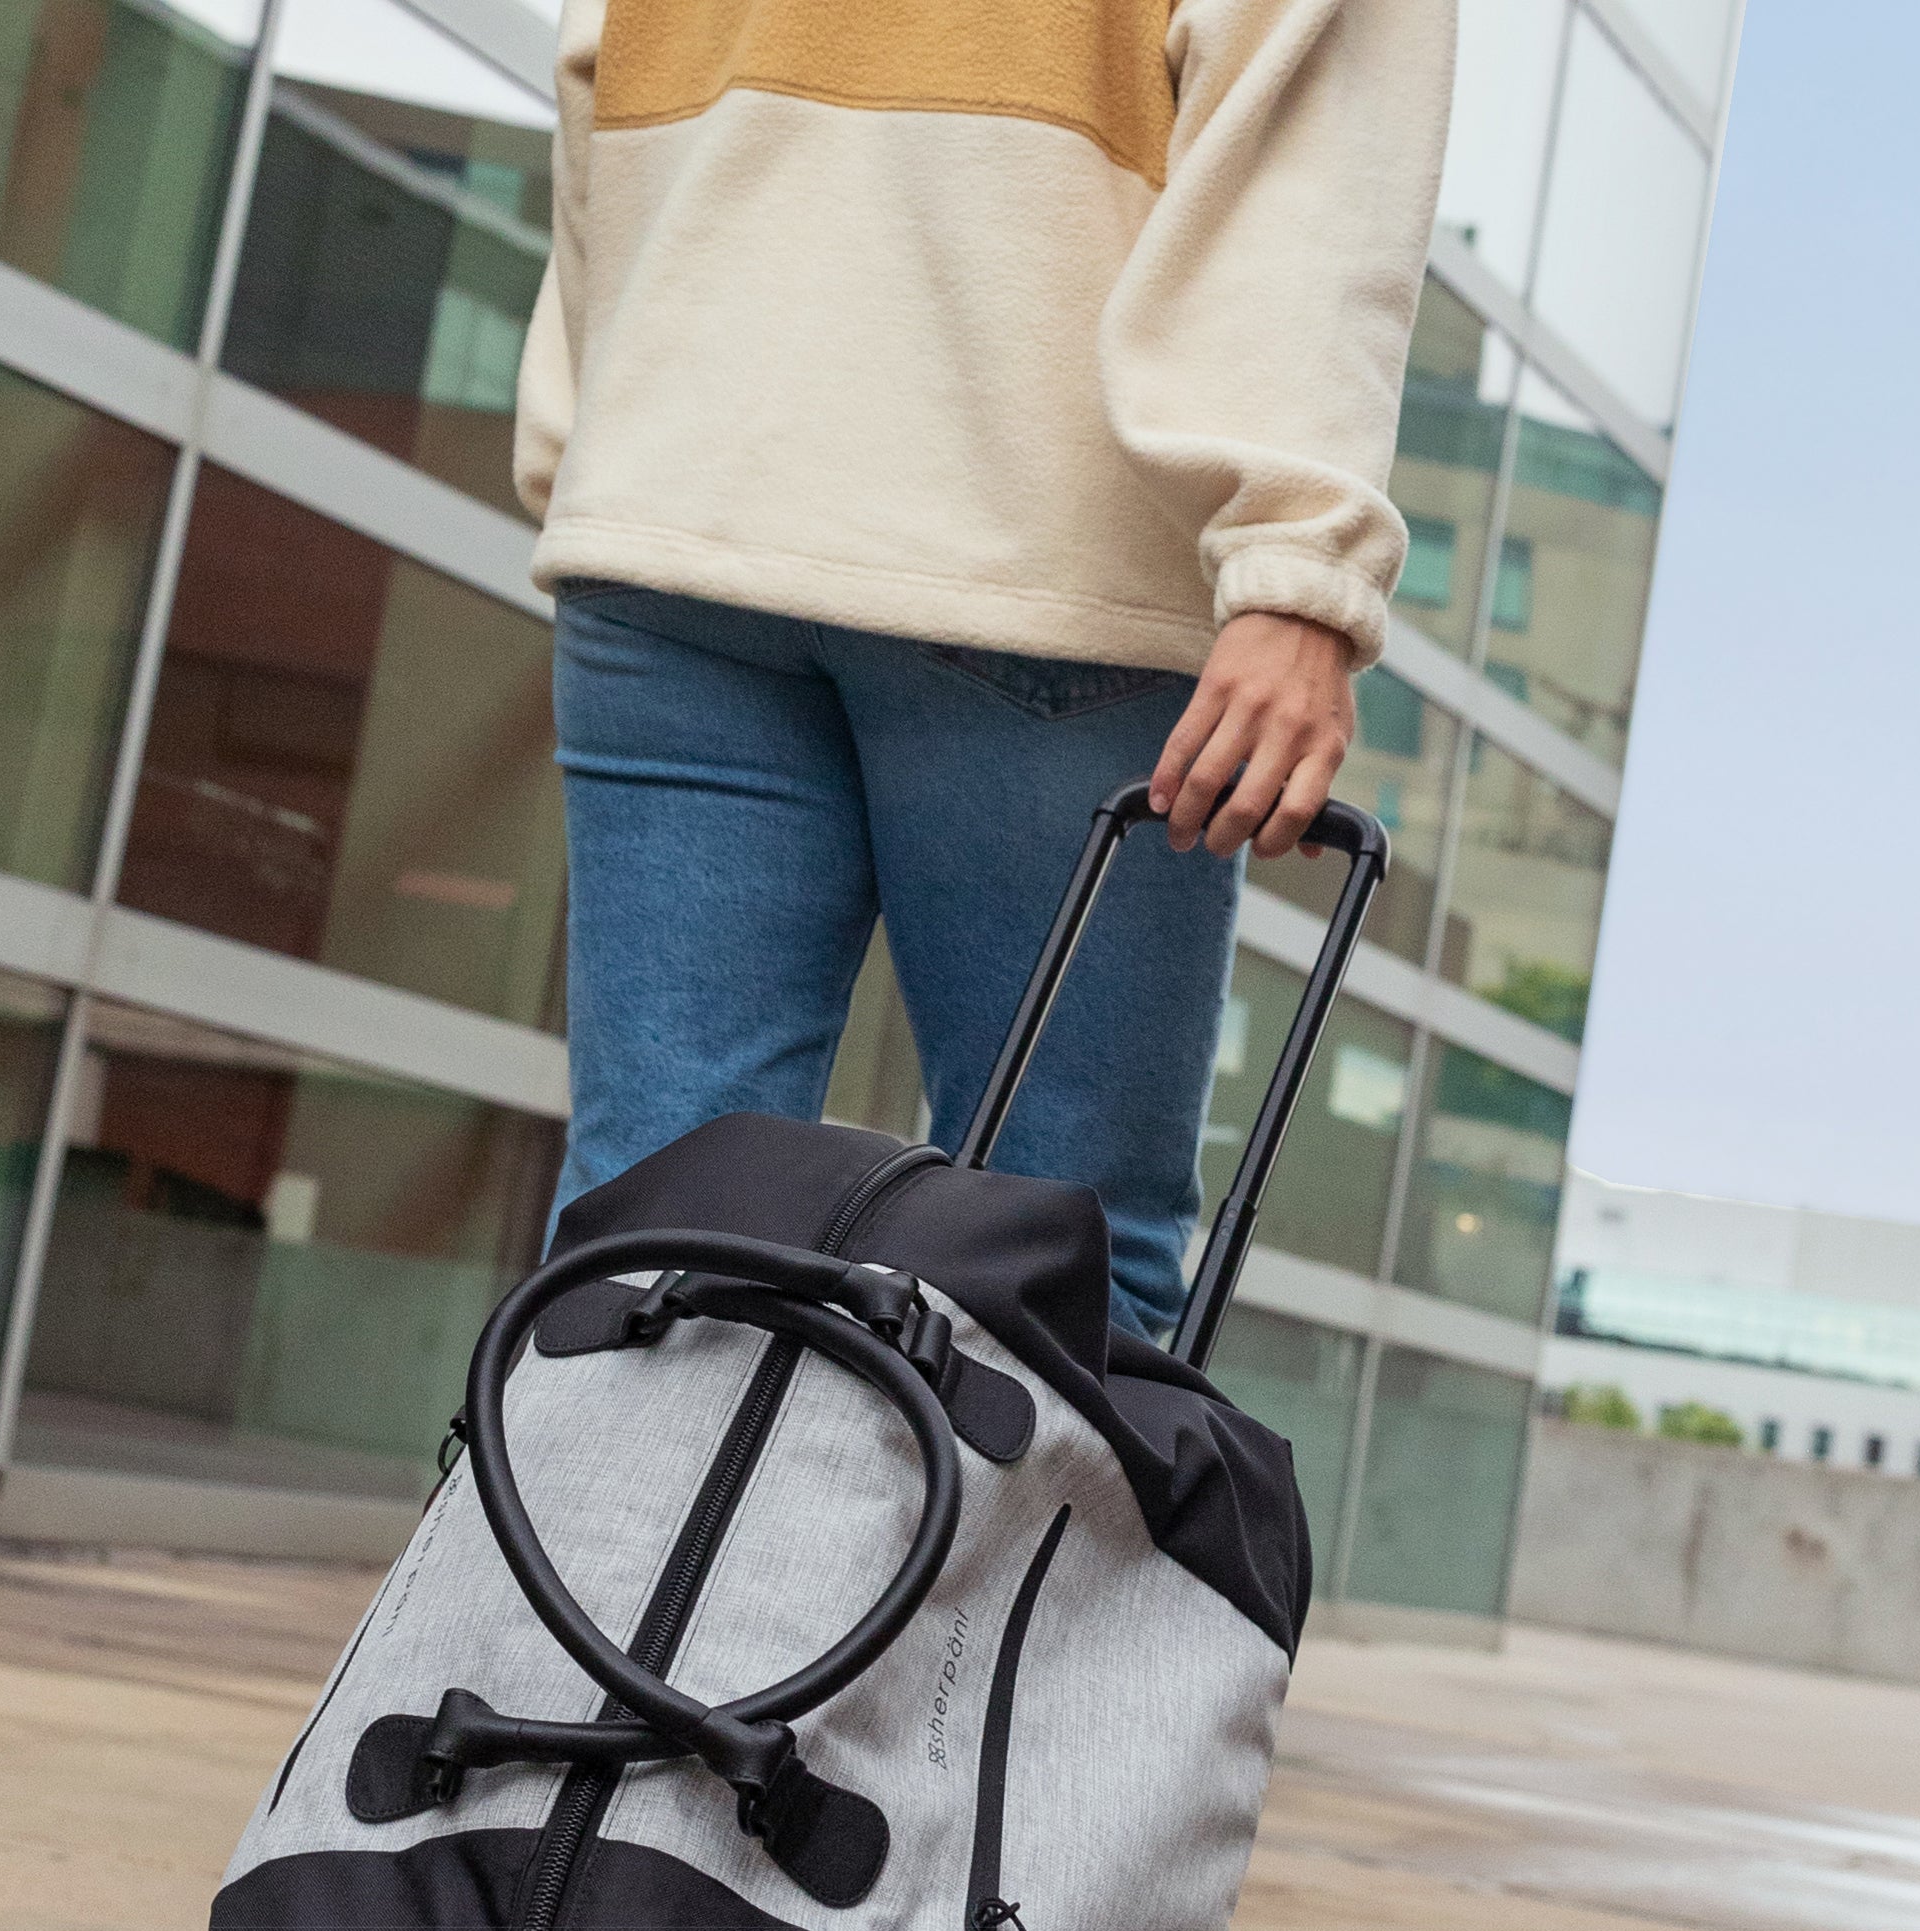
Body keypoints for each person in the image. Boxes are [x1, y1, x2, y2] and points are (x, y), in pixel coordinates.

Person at [514, 0, 1455, 1339]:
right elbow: (1316, 127)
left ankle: (595, 1493)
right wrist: (1301, 561)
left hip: (674, 503)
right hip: (1035, 542)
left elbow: (599, 73)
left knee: (646, 1227)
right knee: (1059, 1265)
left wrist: (594, 457)